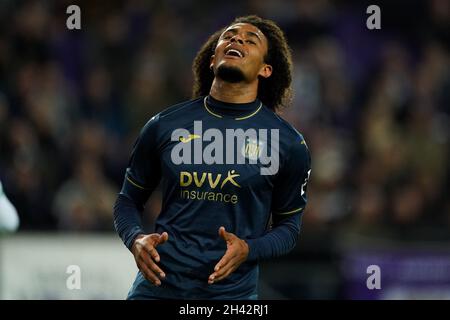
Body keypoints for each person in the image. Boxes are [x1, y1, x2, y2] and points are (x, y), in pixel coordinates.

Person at [114, 15, 311, 299]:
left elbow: (289, 228)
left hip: (230, 296)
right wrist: (135, 238)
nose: (236, 40)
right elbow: (127, 200)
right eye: (228, 36)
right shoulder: (164, 125)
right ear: (211, 59)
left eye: (250, 40)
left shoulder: (288, 143)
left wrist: (249, 249)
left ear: (266, 70)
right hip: (156, 290)